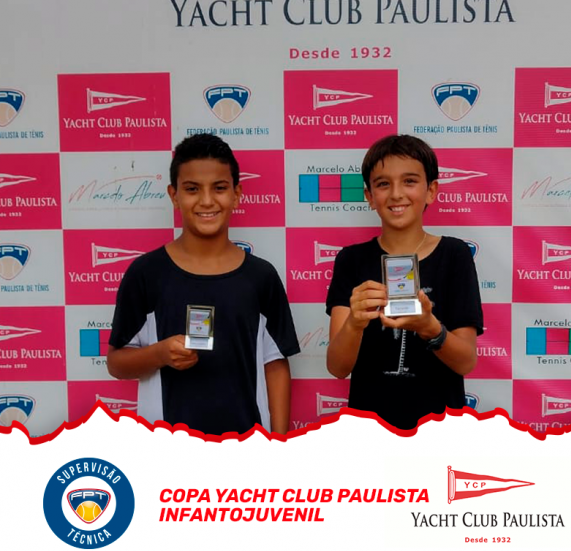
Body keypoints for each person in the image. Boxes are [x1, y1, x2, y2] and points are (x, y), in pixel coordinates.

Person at [107, 134, 299, 435]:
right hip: (167, 450)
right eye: (192, 189)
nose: (207, 200)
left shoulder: (261, 276)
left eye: (219, 188)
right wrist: (160, 354)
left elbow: (275, 364)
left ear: (236, 194)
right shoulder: (145, 273)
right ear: (174, 195)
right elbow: (116, 363)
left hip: (247, 448)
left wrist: (278, 443)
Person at [326, 134, 483, 430]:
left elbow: (466, 362)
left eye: (409, 181)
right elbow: (337, 367)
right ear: (369, 196)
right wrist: (354, 324)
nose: (396, 194)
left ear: (431, 190)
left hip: (439, 429)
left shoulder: (455, 255)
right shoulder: (351, 260)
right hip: (370, 429)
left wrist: (430, 328)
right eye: (383, 184)